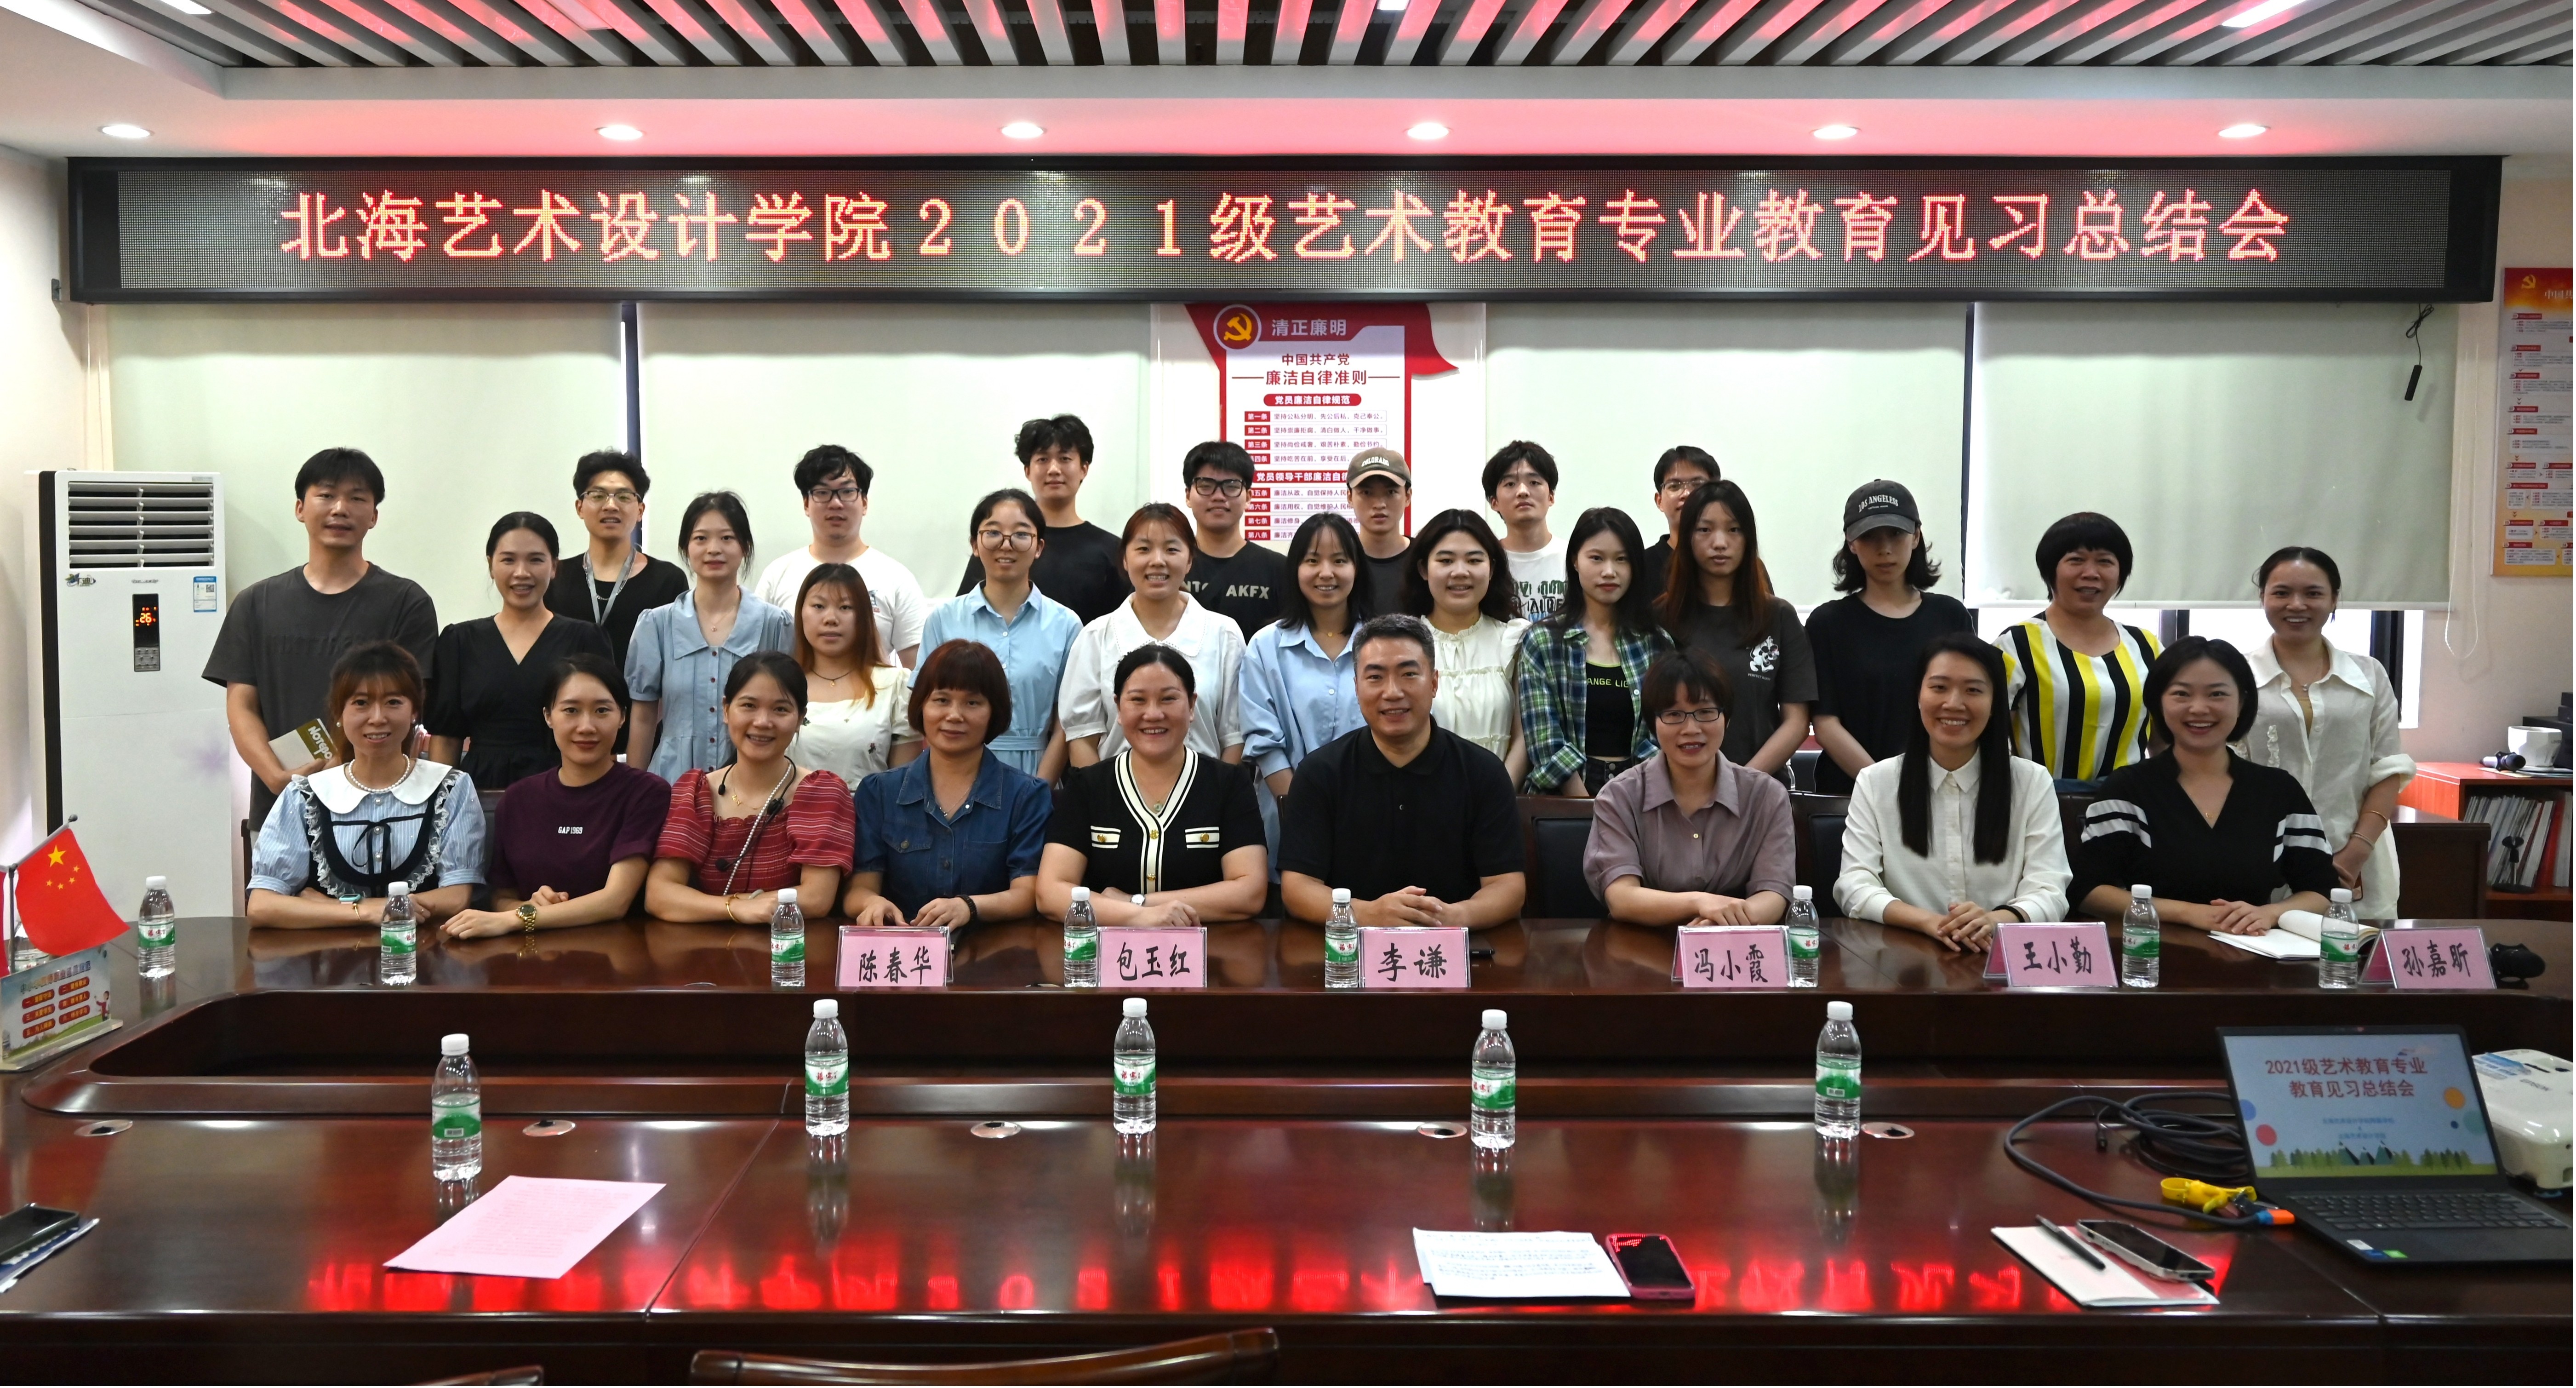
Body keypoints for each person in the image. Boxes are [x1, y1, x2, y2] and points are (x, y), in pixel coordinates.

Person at [205, 447, 438, 831]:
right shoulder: (256, 603)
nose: (340, 509)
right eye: (326, 495)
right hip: (280, 808)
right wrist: (275, 777)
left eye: (357, 498)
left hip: (379, 809)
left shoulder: (406, 603)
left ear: (374, 516)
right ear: (300, 508)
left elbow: (410, 706)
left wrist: (342, 773)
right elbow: (241, 705)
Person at [2071, 637, 2338, 935]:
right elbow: (2088, 890)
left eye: (2217, 694)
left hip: (2253, 950)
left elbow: (2322, 891)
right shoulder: (2127, 789)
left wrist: (2269, 914)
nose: (2198, 708)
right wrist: (2190, 914)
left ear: (2242, 702)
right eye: (2181, 694)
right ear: (2159, 702)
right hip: (2149, 951)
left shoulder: (2278, 790)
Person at [1278, 615, 1526, 929]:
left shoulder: (1483, 772)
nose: (1393, 692)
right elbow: (1298, 888)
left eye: (1409, 674)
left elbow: (1507, 886)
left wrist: (1451, 917)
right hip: (1350, 948)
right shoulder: (1320, 773)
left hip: (1455, 946)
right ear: (1356, 687)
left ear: (1434, 683)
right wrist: (1368, 914)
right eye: (1375, 677)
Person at [1833, 634, 2070, 951]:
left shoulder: (2032, 782)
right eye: (1939, 687)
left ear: (1995, 703)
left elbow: (2050, 888)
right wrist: (1929, 922)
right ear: (1919, 695)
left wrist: (1994, 920)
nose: (1954, 703)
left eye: (1973, 690)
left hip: (2003, 953)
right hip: (1905, 959)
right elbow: (1854, 884)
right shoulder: (1876, 782)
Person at [246, 642, 484, 929]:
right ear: (339, 713)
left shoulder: (451, 788)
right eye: (361, 703)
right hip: (325, 955)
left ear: (415, 712)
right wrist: (366, 911)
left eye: (393, 702)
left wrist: (329, 907)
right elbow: (262, 906)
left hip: (422, 950)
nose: (378, 718)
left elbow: (457, 897)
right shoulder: (304, 796)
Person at [440, 653, 670, 939]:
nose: (586, 726)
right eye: (571, 710)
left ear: (623, 716)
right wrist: (528, 907)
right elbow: (501, 896)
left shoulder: (647, 793)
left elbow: (615, 901)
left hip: (618, 954)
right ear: (548, 716)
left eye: (602, 711)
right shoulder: (518, 799)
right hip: (529, 954)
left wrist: (520, 918)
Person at [1036, 646, 1268, 926]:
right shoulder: (1087, 786)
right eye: (1138, 700)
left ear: (1192, 705)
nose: (1154, 714)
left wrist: (1138, 901)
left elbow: (1249, 891)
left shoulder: (1230, 784)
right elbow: (1050, 892)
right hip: (1109, 951)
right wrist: (1139, 916)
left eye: (1169, 699)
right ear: (1118, 708)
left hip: (1211, 950)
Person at [2238, 547, 2413, 918]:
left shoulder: (2368, 675)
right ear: (2263, 597)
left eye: (2313, 593)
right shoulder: (2235, 676)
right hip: (2257, 860)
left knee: (2353, 952)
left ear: (2334, 599)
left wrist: (2355, 854)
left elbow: (2387, 770)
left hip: (2355, 860)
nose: (2296, 605)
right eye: (2281, 593)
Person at [847, 640, 1051, 927]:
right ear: (921, 706)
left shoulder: (1027, 795)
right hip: (903, 947)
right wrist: (872, 903)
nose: (954, 715)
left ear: (994, 712)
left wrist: (969, 907)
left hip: (995, 949)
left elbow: (1028, 894)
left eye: (973, 703)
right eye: (942, 700)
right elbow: (859, 889)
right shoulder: (879, 792)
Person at [1584, 649, 1794, 928]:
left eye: (1706, 712)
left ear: (1727, 719)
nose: (1691, 729)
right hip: (1641, 945)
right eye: (1674, 714)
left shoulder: (1767, 796)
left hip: (1733, 945)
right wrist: (1700, 903)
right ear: (1654, 724)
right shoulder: (1619, 796)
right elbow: (1621, 897)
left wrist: (1718, 926)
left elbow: (1774, 894)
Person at [645, 652, 853, 924]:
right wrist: (737, 908)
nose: (763, 722)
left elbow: (816, 899)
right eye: (749, 706)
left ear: (801, 718)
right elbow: (659, 895)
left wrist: (714, 906)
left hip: (790, 947)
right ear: (726, 710)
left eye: (781, 709)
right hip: (701, 949)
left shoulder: (822, 792)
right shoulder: (695, 792)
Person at [1805, 481, 1976, 795]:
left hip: (1938, 792)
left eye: (1896, 534)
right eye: (1870, 536)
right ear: (1851, 543)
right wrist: (1886, 788)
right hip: (1850, 795)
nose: (1884, 549)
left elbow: (1966, 707)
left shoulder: (1950, 616)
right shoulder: (1828, 624)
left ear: (1916, 536)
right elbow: (1825, 723)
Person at [425, 512, 614, 791]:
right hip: (478, 793)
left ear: (554, 567)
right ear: (491, 565)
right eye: (509, 560)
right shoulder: (460, 641)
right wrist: (442, 804)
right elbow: (446, 738)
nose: (522, 573)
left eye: (536, 560)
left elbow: (603, 729)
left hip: (565, 789)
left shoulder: (586, 639)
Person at [626, 492, 794, 782]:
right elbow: (643, 718)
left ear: (745, 547)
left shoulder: (775, 624)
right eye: (701, 538)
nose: (714, 549)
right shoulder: (657, 625)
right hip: (672, 783)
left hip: (755, 783)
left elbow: (789, 713)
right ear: (686, 547)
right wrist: (634, 791)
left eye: (727, 538)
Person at [1060, 504, 1245, 768]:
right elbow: (1082, 736)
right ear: (1125, 559)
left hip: (1207, 789)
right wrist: (1103, 793)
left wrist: (1218, 790)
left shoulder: (1224, 635)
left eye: (1172, 549)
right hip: (1115, 790)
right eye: (1144, 549)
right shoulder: (1095, 638)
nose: (1158, 561)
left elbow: (1234, 737)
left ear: (1190, 560)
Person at [921, 488, 1080, 780]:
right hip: (954, 772)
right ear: (975, 544)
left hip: (1035, 771)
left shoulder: (1066, 624)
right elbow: (927, 710)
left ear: (1039, 547)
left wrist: (1038, 791)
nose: (1006, 545)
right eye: (993, 533)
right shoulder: (943, 620)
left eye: (1021, 535)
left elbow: (1066, 723)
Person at [1995, 511, 2161, 789]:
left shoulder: (2147, 647)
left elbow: (2164, 742)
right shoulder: (2016, 645)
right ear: (2051, 570)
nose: (2091, 573)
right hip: (2041, 802)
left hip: (2128, 803)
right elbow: (1993, 742)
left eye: (2105, 561)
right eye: (2076, 560)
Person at [1662, 481, 1814, 778]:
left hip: (1760, 786)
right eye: (1705, 530)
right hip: (1679, 787)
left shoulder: (1779, 617)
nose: (1720, 543)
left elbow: (1796, 722)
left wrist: (1741, 783)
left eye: (1734, 530)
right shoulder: (1663, 617)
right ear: (1687, 537)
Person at [1517, 508, 1669, 797]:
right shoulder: (1543, 641)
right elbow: (1544, 738)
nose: (1609, 571)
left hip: (1642, 792)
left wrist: (1630, 801)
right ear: (1575, 560)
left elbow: (1665, 730)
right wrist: (1587, 807)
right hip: (1563, 798)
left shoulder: (1656, 643)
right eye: (1597, 558)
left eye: (1622, 559)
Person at [753, 444, 926, 667]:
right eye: (822, 493)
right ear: (806, 504)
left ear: (864, 503)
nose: (836, 503)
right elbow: (757, 664)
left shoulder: (896, 578)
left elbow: (918, 672)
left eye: (847, 492)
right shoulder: (777, 575)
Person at [1240, 511, 1371, 806]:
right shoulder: (1265, 646)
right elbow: (1264, 743)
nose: (1326, 573)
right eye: (1312, 561)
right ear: (1295, 569)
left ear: (1357, 568)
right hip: (1287, 811)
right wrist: (1302, 812)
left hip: (1369, 808)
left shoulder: (1380, 644)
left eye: (1340, 561)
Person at [954, 415, 1128, 625]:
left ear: (1084, 468)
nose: (1054, 469)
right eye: (1043, 460)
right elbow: (964, 616)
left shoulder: (1111, 551)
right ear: (1028, 470)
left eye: (1065, 459)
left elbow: (1123, 626)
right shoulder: (1000, 544)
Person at [1403, 509, 1531, 784]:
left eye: (1474, 560)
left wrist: (1497, 796)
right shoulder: (1402, 644)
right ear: (1424, 569)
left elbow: (1523, 738)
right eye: (1446, 560)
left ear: (1491, 569)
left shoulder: (1514, 640)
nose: (1460, 572)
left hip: (1498, 797)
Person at [544, 448, 688, 665]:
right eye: (598, 496)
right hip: (567, 688)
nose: (611, 506)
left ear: (640, 511)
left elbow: (677, 657)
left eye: (623, 497)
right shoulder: (555, 577)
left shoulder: (668, 580)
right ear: (580, 508)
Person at [784, 562, 918, 790]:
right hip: (790, 812)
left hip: (869, 812)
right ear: (801, 613)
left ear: (864, 617)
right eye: (819, 606)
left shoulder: (895, 685)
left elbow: (904, 786)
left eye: (845, 607)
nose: (831, 619)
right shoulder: (782, 685)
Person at [1178, 440, 1288, 639]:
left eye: (1231, 486)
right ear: (1188, 495)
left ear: (1248, 497)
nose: (1219, 496)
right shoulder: (1169, 565)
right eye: (1206, 486)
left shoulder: (1279, 570)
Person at [1484, 440, 1566, 622]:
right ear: (1494, 502)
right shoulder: (1485, 562)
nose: (1523, 491)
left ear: (1551, 497)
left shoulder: (1574, 558)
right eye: (1510, 484)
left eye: (1534, 482)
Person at [1635, 444, 1717, 602]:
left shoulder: (1735, 561)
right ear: (1659, 501)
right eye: (1675, 486)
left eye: (1698, 484)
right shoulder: (1641, 567)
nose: (1687, 494)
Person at [1346, 448, 1416, 621]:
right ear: (1350, 497)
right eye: (1367, 493)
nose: (1379, 504)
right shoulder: (1338, 561)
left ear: (1408, 496)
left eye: (1391, 492)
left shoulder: (1425, 559)